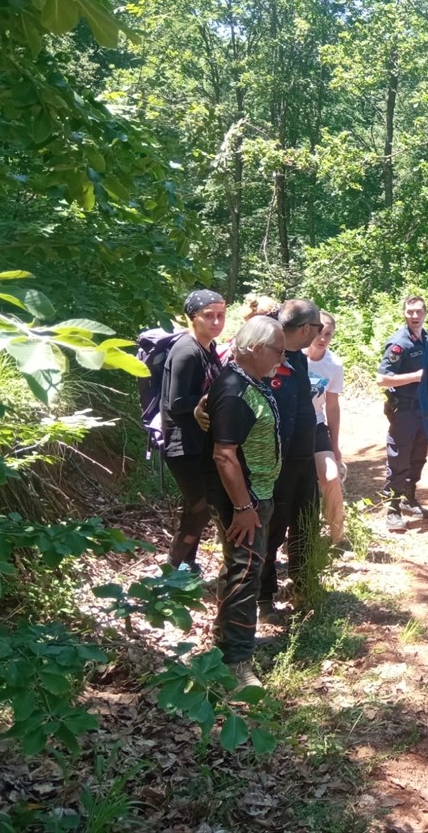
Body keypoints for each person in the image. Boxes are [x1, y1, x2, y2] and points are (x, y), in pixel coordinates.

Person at [202, 315, 286, 690]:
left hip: (257, 497)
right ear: (254, 349)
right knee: (244, 576)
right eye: (278, 351)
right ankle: (236, 665)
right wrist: (243, 507)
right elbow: (224, 455)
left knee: (241, 570)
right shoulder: (236, 389)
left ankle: (228, 642)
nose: (281, 359)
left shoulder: (249, 381)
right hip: (245, 502)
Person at [258, 299, 323, 622]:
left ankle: (303, 584)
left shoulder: (297, 355)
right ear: (307, 329)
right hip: (276, 462)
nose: (320, 334)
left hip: (302, 457)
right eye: (318, 328)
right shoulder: (268, 349)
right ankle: (264, 599)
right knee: (272, 529)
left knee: (306, 521)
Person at [160, 289, 226, 572]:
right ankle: (171, 571)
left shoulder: (208, 348)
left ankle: (187, 566)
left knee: (198, 508)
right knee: (199, 509)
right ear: (192, 318)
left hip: (202, 441)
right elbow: (176, 402)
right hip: (182, 443)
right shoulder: (187, 351)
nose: (216, 322)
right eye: (208, 316)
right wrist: (207, 401)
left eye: (221, 316)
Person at [376, 295, 428, 533]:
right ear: (404, 314)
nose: (415, 316)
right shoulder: (399, 344)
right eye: (410, 312)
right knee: (399, 458)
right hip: (404, 412)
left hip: (424, 411)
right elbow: (382, 379)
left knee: (418, 457)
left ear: (425, 313)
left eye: (419, 311)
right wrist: (416, 376)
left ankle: (409, 498)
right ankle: (393, 510)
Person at [305, 310, 347, 552]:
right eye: (319, 332)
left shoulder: (334, 365)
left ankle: (338, 538)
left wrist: (335, 445)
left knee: (330, 477)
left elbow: (332, 406)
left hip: (317, 425)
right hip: (291, 427)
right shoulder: (292, 357)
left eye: (328, 334)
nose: (322, 338)